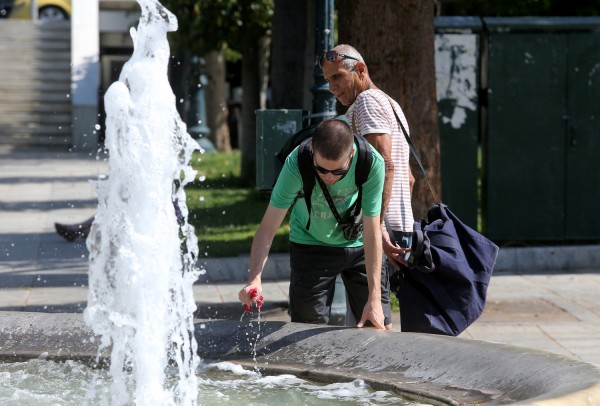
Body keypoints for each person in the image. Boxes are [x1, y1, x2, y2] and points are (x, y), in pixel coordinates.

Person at [238, 119, 389, 329]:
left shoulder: (371, 162)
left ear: (351, 155)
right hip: (310, 244)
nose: (329, 177)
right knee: (306, 331)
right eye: (321, 169)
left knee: (378, 324)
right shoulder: (297, 164)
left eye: (338, 172)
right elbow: (267, 228)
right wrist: (254, 279)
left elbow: (373, 230)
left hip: (361, 244)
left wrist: (374, 299)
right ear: (313, 154)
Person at [319, 45, 415, 291]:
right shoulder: (390, 102)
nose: (332, 87)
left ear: (360, 70)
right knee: (376, 317)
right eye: (328, 80)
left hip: (380, 231)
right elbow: (410, 178)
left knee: (369, 322)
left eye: (338, 76)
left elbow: (385, 165)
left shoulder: (367, 102)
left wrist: (378, 227)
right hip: (399, 227)